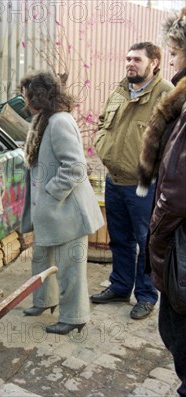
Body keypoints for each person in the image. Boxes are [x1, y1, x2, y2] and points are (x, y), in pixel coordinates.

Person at [90, 42, 173, 320]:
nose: (130, 64)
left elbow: (174, 144)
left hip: (144, 186)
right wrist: (102, 144)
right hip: (114, 180)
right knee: (120, 240)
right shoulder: (120, 90)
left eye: (137, 59)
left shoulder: (167, 96)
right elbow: (103, 122)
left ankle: (147, 296)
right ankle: (120, 286)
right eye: (127, 59)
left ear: (155, 63)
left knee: (146, 243)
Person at [18, 71, 104, 335]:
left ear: (39, 96)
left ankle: (74, 317)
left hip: (67, 211)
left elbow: (76, 167)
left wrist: (51, 193)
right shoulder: (44, 119)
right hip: (51, 211)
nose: (25, 100)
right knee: (41, 259)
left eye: (28, 95)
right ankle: (44, 301)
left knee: (70, 268)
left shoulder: (59, 122)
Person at [137, 8, 186, 396]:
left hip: (181, 248)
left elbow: (175, 192)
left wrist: (155, 240)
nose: (171, 59)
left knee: (179, 335)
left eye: (175, 51)